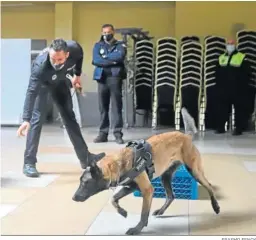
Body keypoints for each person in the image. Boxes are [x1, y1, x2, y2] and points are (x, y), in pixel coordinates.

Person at [17, 38, 105, 178]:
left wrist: (77, 75)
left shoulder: (74, 49)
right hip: (43, 85)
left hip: (60, 82)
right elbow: (31, 91)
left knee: (70, 118)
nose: (56, 63)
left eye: (60, 59)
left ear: (67, 55)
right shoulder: (40, 66)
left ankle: (85, 158)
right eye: (53, 59)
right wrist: (25, 119)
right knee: (36, 120)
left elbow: (80, 56)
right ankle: (29, 163)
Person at [92, 24, 127, 144]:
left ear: (113, 32)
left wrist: (105, 58)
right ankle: (103, 134)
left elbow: (120, 56)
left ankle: (118, 134)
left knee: (117, 106)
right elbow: (96, 60)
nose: (106, 35)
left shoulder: (120, 45)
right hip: (101, 78)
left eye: (108, 32)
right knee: (103, 107)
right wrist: (112, 61)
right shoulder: (98, 45)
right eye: (104, 33)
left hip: (115, 77)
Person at [214, 39, 251, 135]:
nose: (230, 46)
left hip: (237, 89)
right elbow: (217, 73)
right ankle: (220, 127)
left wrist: (243, 86)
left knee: (239, 109)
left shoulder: (242, 57)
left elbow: (246, 73)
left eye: (232, 44)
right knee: (222, 108)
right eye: (228, 44)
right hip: (223, 89)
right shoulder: (221, 58)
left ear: (235, 45)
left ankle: (238, 128)